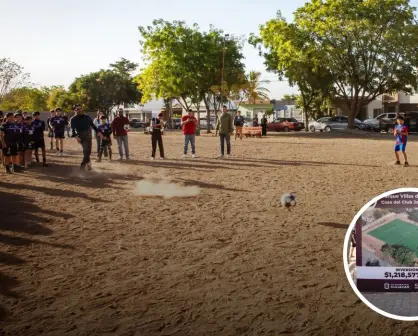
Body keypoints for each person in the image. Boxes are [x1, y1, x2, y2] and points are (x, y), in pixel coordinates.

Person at [70, 104, 102, 170]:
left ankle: (88, 163)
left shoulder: (87, 117)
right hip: (81, 137)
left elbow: (92, 125)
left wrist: (98, 132)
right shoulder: (73, 119)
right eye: (77, 109)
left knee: (88, 152)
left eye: (80, 108)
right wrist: (76, 137)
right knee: (86, 151)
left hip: (88, 136)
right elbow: (72, 130)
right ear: (75, 110)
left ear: (82, 109)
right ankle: (83, 166)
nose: (79, 110)